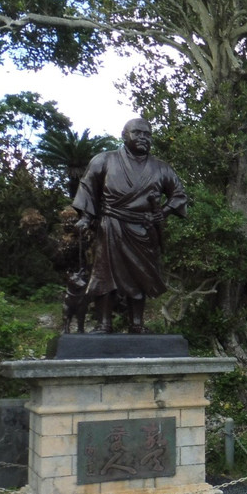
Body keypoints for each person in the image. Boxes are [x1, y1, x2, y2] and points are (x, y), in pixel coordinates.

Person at [73, 118, 187, 333]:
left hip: (144, 229)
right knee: (105, 275)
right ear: (124, 135)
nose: (143, 137)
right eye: (137, 133)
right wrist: (86, 218)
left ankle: (137, 323)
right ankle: (104, 323)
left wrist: (162, 213)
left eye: (147, 134)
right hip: (110, 225)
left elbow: (179, 195)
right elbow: (87, 188)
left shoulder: (161, 168)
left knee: (140, 275)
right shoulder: (103, 160)